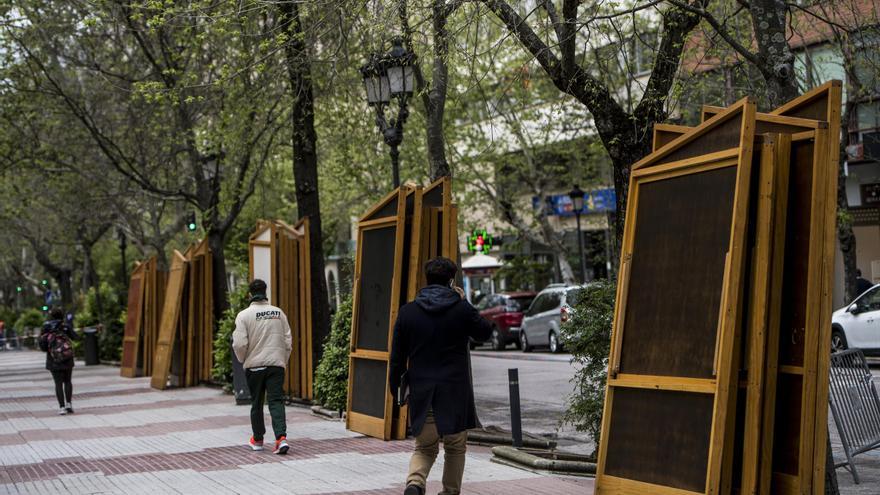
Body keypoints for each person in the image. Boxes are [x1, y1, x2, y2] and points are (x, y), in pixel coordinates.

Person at [389, 257, 493, 495]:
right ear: (451, 280)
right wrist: (464, 302)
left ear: (427, 279)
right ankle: (449, 492)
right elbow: (485, 332)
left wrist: (395, 389)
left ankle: (415, 483)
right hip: (454, 393)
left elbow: (396, 358)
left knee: (424, 447)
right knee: (455, 447)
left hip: (422, 392)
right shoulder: (461, 309)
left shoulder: (408, 312)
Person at [232, 279, 292, 455]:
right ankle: (281, 438)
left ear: (250, 294)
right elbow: (288, 340)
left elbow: (239, 344)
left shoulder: (244, 315)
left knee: (256, 402)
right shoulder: (278, 313)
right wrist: (282, 360)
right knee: (276, 401)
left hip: (255, 366)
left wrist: (244, 360)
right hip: (276, 365)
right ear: (266, 292)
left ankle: (258, 440)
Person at [38, 307, 78, 415]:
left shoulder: (46, 327)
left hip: (53, 359)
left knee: (58, 383)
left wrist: (50, 349)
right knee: (68, 381)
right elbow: (75, 337)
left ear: (51, 316)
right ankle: (69, 404)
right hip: (67, 357)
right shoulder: (65, 326)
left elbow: (42, 344)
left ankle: (62, 407)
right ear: (62, 316)